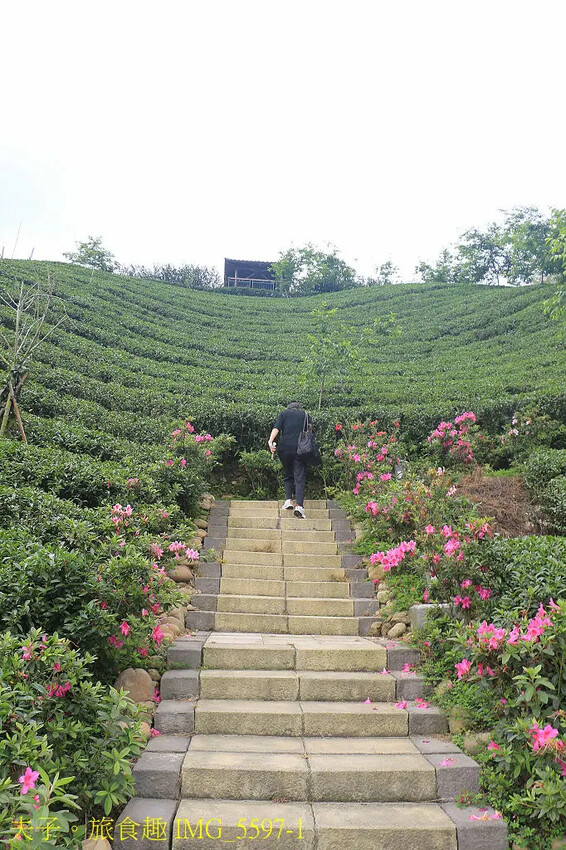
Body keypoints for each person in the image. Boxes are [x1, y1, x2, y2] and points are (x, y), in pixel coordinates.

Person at [268, 402, 312, 518]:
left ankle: (288, 500)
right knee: (299, 476)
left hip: (284, 449)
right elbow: (310, 432)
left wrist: (270, 442)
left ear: (289, 408)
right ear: (299, 408)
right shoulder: (305, 415)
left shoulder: (283, 414)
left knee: (288, 473)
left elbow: (276, 428)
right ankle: (299, 506)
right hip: (300, 449)